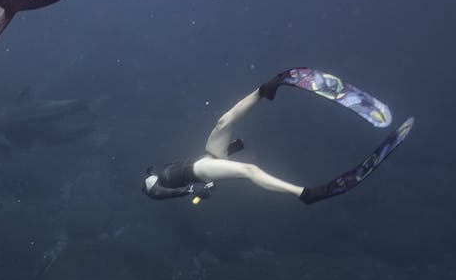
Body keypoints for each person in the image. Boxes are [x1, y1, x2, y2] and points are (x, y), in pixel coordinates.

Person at [143, 67, 413, 205]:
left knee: (223, 120)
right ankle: (306, 194)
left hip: (206, 158)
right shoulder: (153, 186)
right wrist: (191, 189)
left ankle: (272, 85)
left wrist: (233, 148)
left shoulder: (158, 170)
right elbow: (158, 193)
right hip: (199, 171)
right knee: (250, 170)